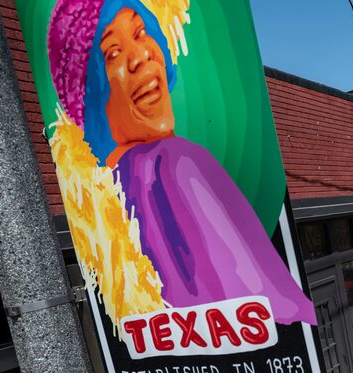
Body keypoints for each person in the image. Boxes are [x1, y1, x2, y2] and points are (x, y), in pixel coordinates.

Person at [47, 0, 316, 326]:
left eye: (141, 33)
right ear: (89, 93)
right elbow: (279, 313)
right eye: (113, 53)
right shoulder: (172, 164)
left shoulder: (105, 200)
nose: (140, 56)